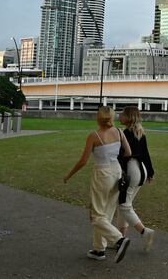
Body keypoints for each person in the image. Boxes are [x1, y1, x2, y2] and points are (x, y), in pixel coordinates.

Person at [64, 106, 132, 262]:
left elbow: (83, 161)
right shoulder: (119, 132)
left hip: (102, 173)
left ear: (98, 118)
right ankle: (98, 249)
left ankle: (119, 240)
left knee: (96, 216)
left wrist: (68, 175)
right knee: (106, 214)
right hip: (117, 171)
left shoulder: (94, 136)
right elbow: (128, 152)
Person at [115, 107, 156, 252]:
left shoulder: (126, 133)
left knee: (124, 205)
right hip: (142, 169)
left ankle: (144, 232)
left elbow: (122, 155)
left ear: (128, 117)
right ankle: (121, 238)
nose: (119, 115)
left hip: (132, 169)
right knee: (125, 204)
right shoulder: (140, 132)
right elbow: (146, 153)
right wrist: (150, 172)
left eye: (122, 114)